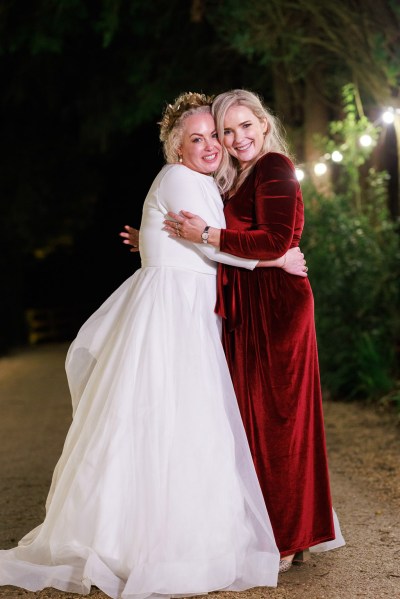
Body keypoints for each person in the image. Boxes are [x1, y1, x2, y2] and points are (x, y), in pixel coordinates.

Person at [0, 92, 308, 599]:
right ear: (176, 148)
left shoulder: (195, 181)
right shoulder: (182, 179)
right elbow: (219, 244)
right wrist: (278, 261)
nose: (212, 145)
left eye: (216, 135)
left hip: (183, 304)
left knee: (172, 422)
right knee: (174, 421)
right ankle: (163, 543)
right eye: (198, 138)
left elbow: (204, 240)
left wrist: (156, 240)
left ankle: (162, 532)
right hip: (176, 313)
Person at [162, 89, 345, 573]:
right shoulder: (238, 177)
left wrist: (203, 235)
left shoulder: (275, 167)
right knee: (249, 424)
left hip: (278, 308)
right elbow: (236, 244)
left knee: (276, 421)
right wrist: (164, 240)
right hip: (247, 305)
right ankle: (275, 530)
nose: (236, 137)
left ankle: (285, 539)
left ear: (264, 125)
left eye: (246, 126)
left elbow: (275, 240)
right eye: (227, 130)